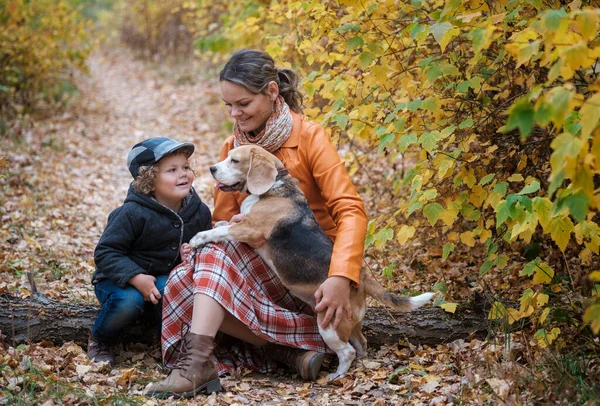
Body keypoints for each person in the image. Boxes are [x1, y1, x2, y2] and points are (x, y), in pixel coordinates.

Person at [146, 49, 367, 398]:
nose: (235, 113)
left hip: (311, 278)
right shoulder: (232, 146)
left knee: (208, 262)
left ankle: (213, 363)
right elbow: (223, 219)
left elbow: (351, 210)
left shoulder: (310, 137)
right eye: (228, 106)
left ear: (272, 92)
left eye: (243, 103)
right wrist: (219, 233)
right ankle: (280, 350)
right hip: (261, 269)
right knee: (183, 276)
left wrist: (341, 275)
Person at [88, 137, 212, 364]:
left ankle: (170, 344)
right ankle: (101, 339)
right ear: (149, 180)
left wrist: (189, 257)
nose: (183, 174)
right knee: (129, 300)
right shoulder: (132, 213)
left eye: (186, 167)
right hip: (119, 279)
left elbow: (205, 250)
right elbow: (106, 252)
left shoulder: (199, 212)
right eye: (172, 170)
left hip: (162, 278)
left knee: (172, 290)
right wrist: (136, 277)